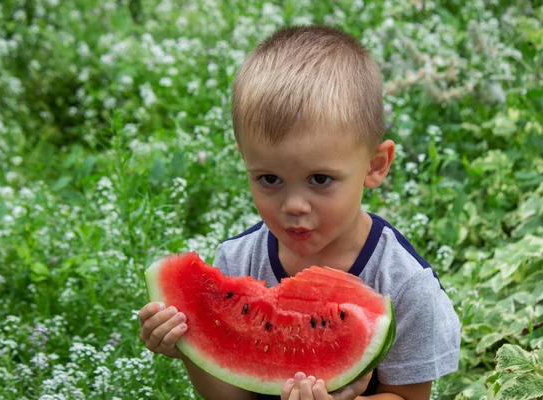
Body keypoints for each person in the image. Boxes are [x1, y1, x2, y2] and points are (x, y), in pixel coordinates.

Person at [139, 25, 461, 400]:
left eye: (320, 179)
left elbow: (409, 397)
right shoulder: (237, 259)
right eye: (270, 178)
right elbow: (234, 393)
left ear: (375, 166)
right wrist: (188, 346)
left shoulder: (404, 284)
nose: (294, 205)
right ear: (246, 163)